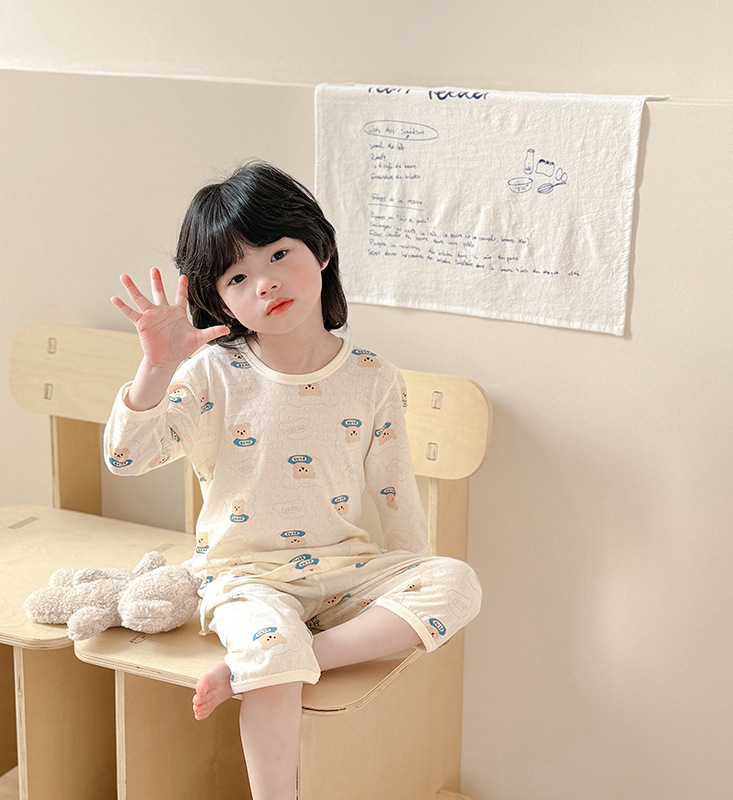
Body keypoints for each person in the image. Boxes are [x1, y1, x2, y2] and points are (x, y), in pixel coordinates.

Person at [104, 161, 481, 800]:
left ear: (321, 249)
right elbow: (125, 459)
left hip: (344, 573)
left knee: (457, 582)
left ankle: (272, 660)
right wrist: (156, 369)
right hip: (243, 578)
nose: (266, 282)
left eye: (279, 253)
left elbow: (395, 494)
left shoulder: (373, 377)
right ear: (219, 300)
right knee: (272, 657)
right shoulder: (211, 374)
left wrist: (405, 582)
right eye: (237, 276)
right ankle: (272, 688)